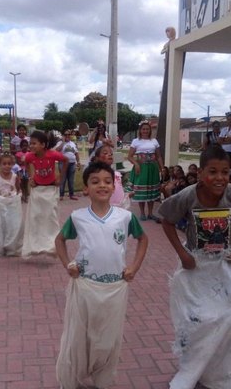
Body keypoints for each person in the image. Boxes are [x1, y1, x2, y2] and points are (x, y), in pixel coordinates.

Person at [158, 144, 231, 389]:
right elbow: (167, 221)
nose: (219, 178)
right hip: (198, 264)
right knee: (201, 318)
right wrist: (183, 254)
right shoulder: (187, 195)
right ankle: (194, 370)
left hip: (230, 260)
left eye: (225, 172)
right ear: (201, 172)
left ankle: (226, 373)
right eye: (213, 172)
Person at [55, 161, 148, 389]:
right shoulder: (78, 217)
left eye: (108, 181)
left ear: (115, 186)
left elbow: (143, 238)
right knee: (81, 334)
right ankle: (75, 375)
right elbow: (60, 240)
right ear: (86, 188)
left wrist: (133, 267)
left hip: (115, 287)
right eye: (95, 181)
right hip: (85, 285)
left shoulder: (124, 217)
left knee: (108, 336)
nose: (102, 186)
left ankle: (102, 378)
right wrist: (69, 265)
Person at [21, 131, 68, 258]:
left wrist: (60, 177)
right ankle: (35, 246)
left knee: (50, 217)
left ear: (43, 144)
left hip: (51, 189)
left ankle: (51, 246)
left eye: (34, 143)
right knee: (35, 217)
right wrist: (31, 177)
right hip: (37, 190)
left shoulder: (52, 155)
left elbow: (66, 160)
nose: (31, 146)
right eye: (30, 143)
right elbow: (26, 163)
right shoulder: (30, 156)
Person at [127, 121, 164, 221]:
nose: (145, 131)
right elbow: (129, 156)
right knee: (141, 190)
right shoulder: (135, 141)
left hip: (152, 168)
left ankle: (150, 213)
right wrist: (136, 164)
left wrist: (162, 168)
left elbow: (159, 156)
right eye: (143, 129)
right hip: (141, 168)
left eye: (147, 129)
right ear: (140, 130)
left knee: (151, 190)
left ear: (150, 130)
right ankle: (142, 213)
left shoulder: (154, 141)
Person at [93, 145, 134, 209]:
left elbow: (119, 190)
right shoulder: (96, 175)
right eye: (105, 153)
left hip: (120, 206)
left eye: (111, 154)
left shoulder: (117, 173)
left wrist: (127, 195)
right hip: (106, 207)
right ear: (97, 158)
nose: (109, 154)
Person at [57, 129, 81, 201]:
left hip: (72, 163)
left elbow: (76, 153)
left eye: (69, 134)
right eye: (65, 134)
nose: (67, 136)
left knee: (71, 180)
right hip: (63, 163)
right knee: (63, 179)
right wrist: (63, 142)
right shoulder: (60, 143)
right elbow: (57, 150)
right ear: (63, 135)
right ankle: (61, 195)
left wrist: (78, 162)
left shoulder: (73, 144)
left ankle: (72, 194)